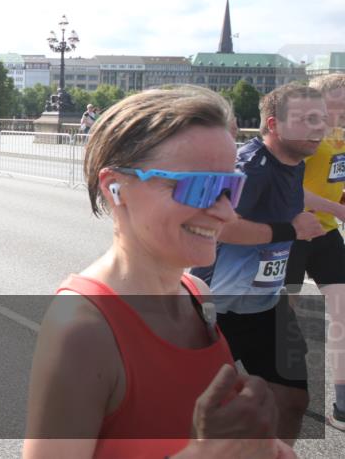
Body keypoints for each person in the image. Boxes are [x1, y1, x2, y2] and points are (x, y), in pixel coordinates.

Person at [25, 86, 291, 459]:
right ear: (115, 188)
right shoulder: (82, 330)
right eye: (198, 187)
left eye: (231, 187)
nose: (225, 213)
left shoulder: (198, 295)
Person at [191, 83, 327, 444]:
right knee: (193, 407)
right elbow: (218, 227)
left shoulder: (294, 163)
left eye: (321, 120)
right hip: (218, 305)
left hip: (264, 303)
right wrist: (290, 228)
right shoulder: (251, 167)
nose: (318, 128)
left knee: (293, 397)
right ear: (275, 124)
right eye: (306, 119)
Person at [287, 73, 345, 430]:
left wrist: (339, 206)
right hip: (290, 234)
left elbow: (337, 185)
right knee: (278, 320)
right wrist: (339, 210)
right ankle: (264, 389)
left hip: (325, 235)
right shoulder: (309, 137)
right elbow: (289, 190)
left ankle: (342, 403)